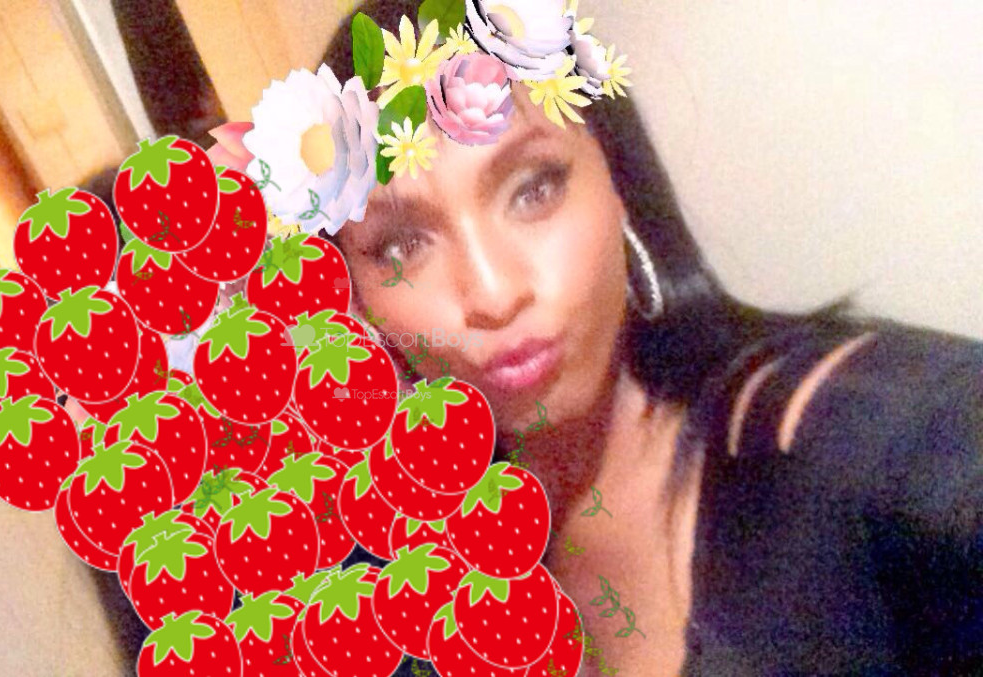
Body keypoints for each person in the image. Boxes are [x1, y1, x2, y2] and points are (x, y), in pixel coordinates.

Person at [301, 1, 983, 675]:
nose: (494, 293)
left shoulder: (859, 443)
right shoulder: (417, 554)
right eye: (401, 245)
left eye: (534, 189)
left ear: (618, 180)